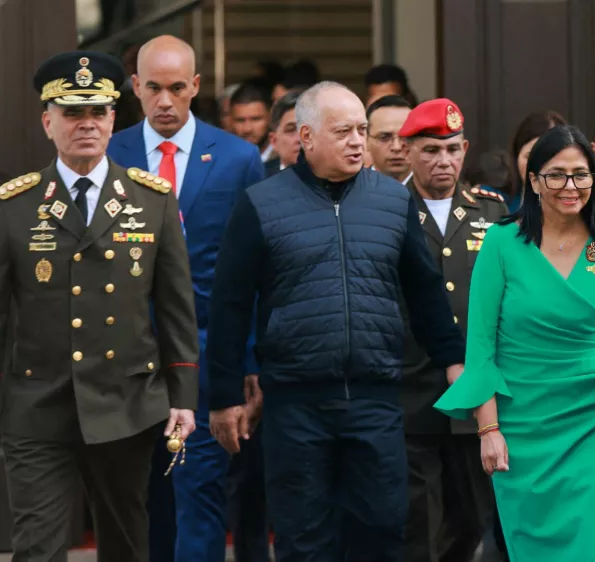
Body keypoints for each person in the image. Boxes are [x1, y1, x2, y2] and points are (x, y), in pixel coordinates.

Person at [206, 81, 467, 562]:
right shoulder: (262, 203)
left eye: (362, 130)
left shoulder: (391, 201)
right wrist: (223, 397)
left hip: (375, 399)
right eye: (343, 130)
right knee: (304, 539)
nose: (356, 141)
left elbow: (424, 289)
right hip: (295, 403)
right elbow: (229, 304)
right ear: (305, 136)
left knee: (383, 529)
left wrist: (452, 359)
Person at [0, 49, 199, 561]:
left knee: (126, 539)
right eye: (71, 113)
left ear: (114, 118)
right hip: (36, 403)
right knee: (36, 543)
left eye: (97, 113)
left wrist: (183, 395)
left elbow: (176, 307)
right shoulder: (16, 207)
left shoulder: (151, 200)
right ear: (48, 122)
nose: (86, 125)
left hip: (125, 403)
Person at [434, 124, 595, 561]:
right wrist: (488, 429)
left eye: (581, 174)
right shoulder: (500, 241)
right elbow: (481, 352)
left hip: (592, 420)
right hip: (522, 428)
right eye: (556, 174)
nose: (570, 186)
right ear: (533, 180)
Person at [106, 34, 267, 562]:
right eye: (153, 88)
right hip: (125, 359)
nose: (166, 101)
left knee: (199, 495)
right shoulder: (110, 152)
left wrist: (247, 362)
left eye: (178, 88)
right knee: (136, 497)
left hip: (205, 356)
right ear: (135, 87)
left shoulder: (239, 159)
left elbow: (251, 274)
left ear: (196, 85)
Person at [397, 98, 508, 562]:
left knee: (470, 522)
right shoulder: (386, 208)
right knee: (416, 523)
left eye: (452, 149)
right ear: (407, 150)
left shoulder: (493, 212)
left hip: (477, 397)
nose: (444, 161)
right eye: (430, 150)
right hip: (412, 389)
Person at [506, 110, 568, 213]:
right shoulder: (495, 204)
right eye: (530, 156)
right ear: (517, 156)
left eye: (550, 157)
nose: (540, 166)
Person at [366, 94, 413, 183]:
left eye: (407, 137)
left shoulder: (436, 192)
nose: (397, 147)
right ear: (366, 140)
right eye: (384, 137)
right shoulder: (348, 193)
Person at [230, 79, 275, 161]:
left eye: (256, 119)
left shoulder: (286, 158)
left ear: (270, 117)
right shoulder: (222, 160)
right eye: (240, 120)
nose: (247, 129)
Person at [264, 91, 302, 177]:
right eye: (291, 130)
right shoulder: (256, 180)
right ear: (274, 141)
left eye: (308, 130)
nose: (300, 139)